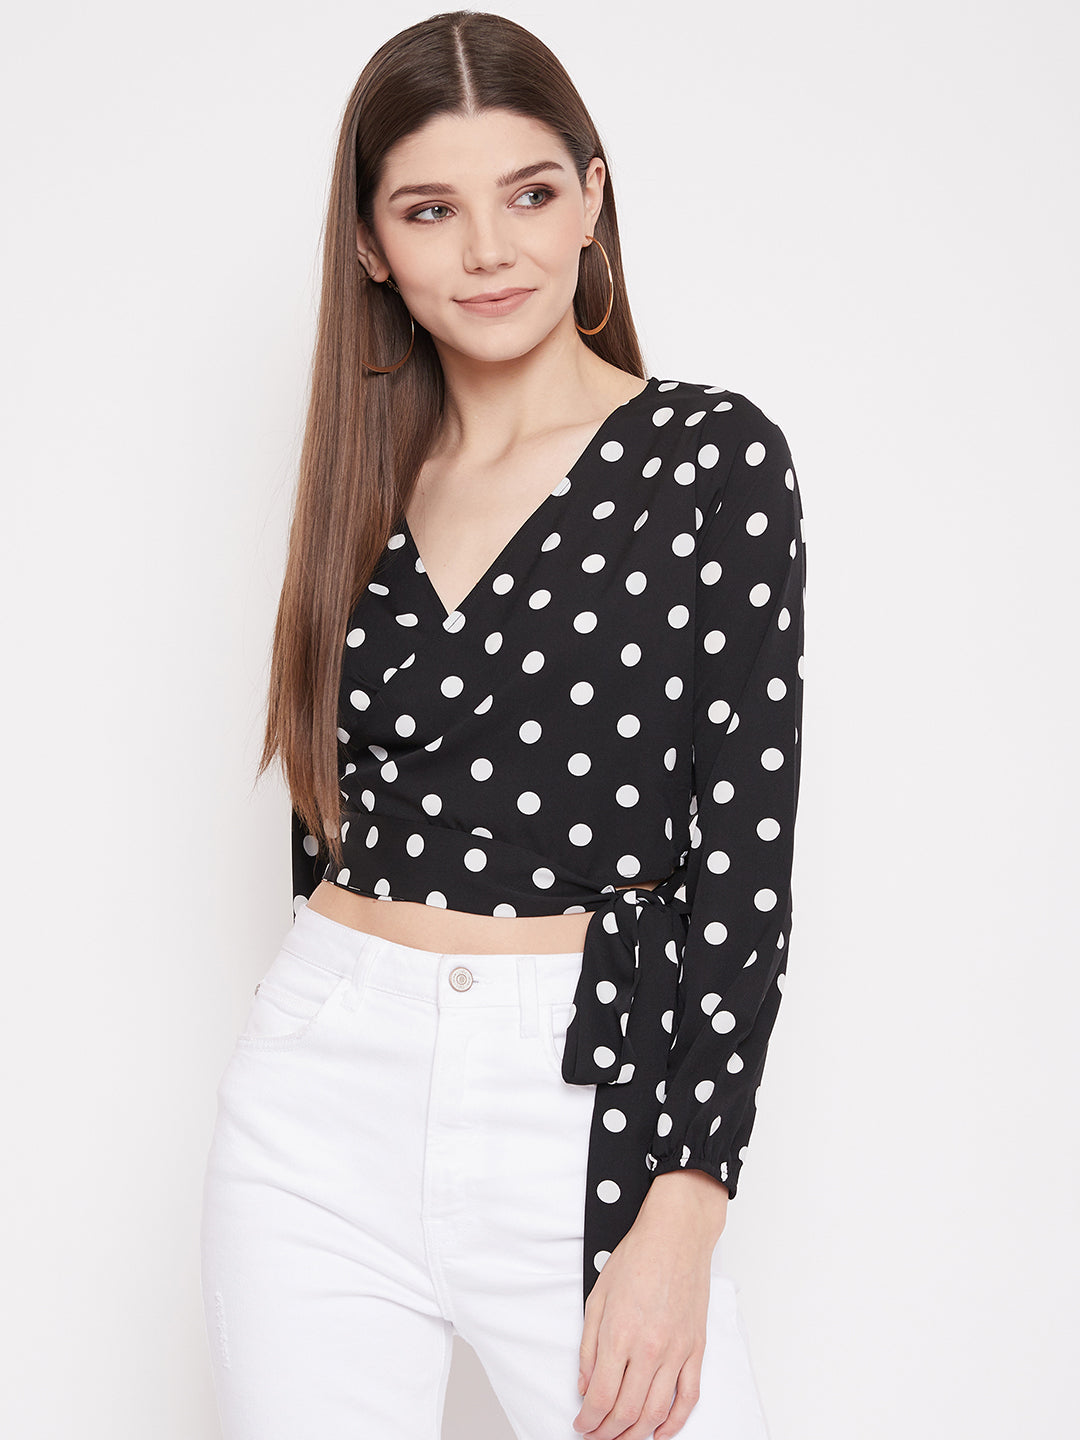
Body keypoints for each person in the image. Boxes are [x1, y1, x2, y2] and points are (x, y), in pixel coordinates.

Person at [200, 11, 806, 1440]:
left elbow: (743, 862)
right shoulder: (365, 480)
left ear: (593, 197)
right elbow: (334, 815)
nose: (489, 250)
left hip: (579, 1092)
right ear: (370, 245)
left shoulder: (709, 460)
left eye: (529, 193)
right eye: (430, 210)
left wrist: (686, 1204)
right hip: (320, 1090)